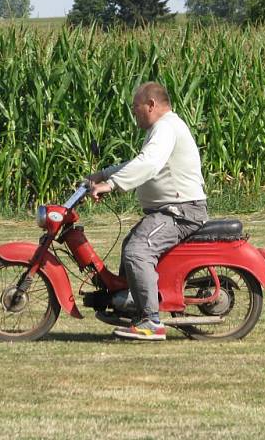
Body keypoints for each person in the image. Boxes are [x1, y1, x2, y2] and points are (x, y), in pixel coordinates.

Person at [88, 81, 207, 341]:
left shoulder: (166, 128)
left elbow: (149, 163)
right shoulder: (162, 129)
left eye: (136, 108)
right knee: (132, 242)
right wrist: (104, 173)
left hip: (181, 212)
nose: (135, 114)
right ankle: (130, 305)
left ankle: (151, 322)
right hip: (170, 210)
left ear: (151, 105)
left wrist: (110, 184)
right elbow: (141, 161)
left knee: (137, 250)